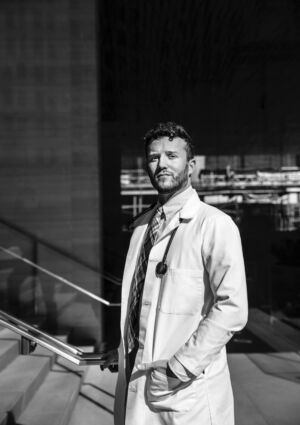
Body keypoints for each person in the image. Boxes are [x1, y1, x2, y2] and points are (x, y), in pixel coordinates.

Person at [102, 122, 248, 425]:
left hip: (185, 389)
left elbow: (232, 308)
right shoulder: (141, 227)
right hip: (137, 375)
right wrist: (123, 349)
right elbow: (140, 303)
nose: (162, 164)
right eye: (154, 157)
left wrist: (180, 368)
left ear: (190, 165)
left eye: (172, 155)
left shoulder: (214, 225)